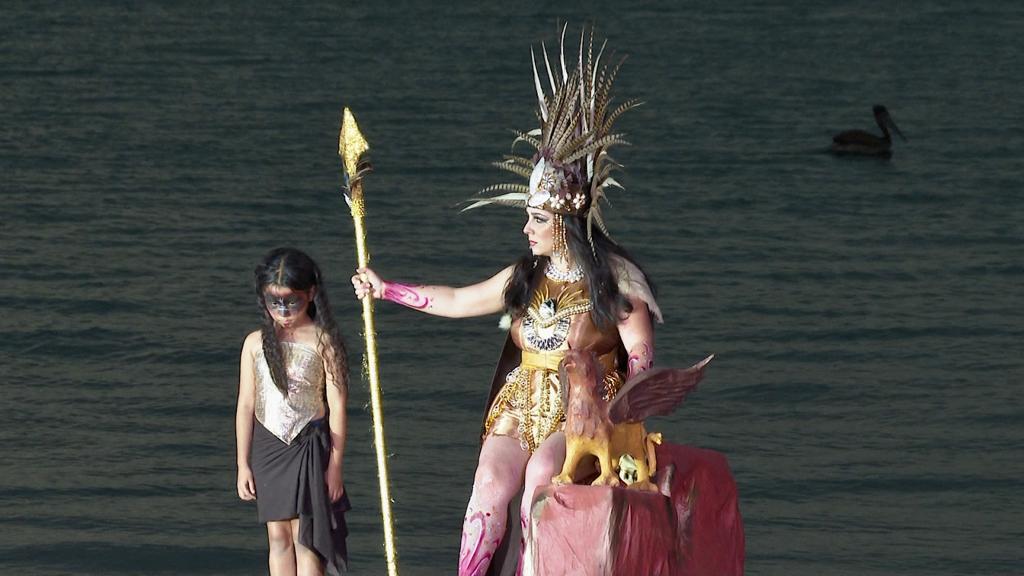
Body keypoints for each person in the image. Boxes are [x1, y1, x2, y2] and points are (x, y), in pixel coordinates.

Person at [351, 28, 661, 576]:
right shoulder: (525, 274)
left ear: (566, 223)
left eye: (537, 219)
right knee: (489, 485)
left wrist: (622, 412)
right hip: (520, 402)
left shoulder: (617, 282)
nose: (527, 228)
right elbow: (457, 299)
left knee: (542, 480)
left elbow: (640, 358)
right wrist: (387, 289)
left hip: (585, 409)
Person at [236, 247, 352, 576]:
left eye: (292, 301)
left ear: (311, 294)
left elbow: (338, 407)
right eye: (275, 302)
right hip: (268, 446)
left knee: (306, 536)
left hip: (308, 446)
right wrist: (242, 464)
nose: (284, 310)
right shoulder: (254, 343)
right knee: (277, 535)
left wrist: (336, 467)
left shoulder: (324, 342)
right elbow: (245, 405)